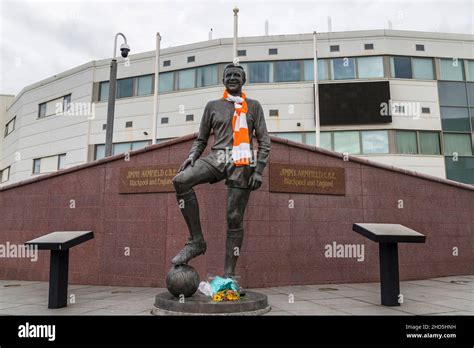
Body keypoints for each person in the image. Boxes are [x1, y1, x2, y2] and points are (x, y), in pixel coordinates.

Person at [171, 63, 271, 281]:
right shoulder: (212, 106)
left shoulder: (253, 106)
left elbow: (264, 142)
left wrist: (259, 170)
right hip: (218, 158)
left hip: (242, 163)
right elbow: (201, 139)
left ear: (243, 80)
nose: (233, 78)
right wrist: (192, 157)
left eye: (237, 75)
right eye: (229, 75)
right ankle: (196, 240)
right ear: (223, 80)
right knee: (181, 181)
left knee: (234, 218)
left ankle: (229, 276)